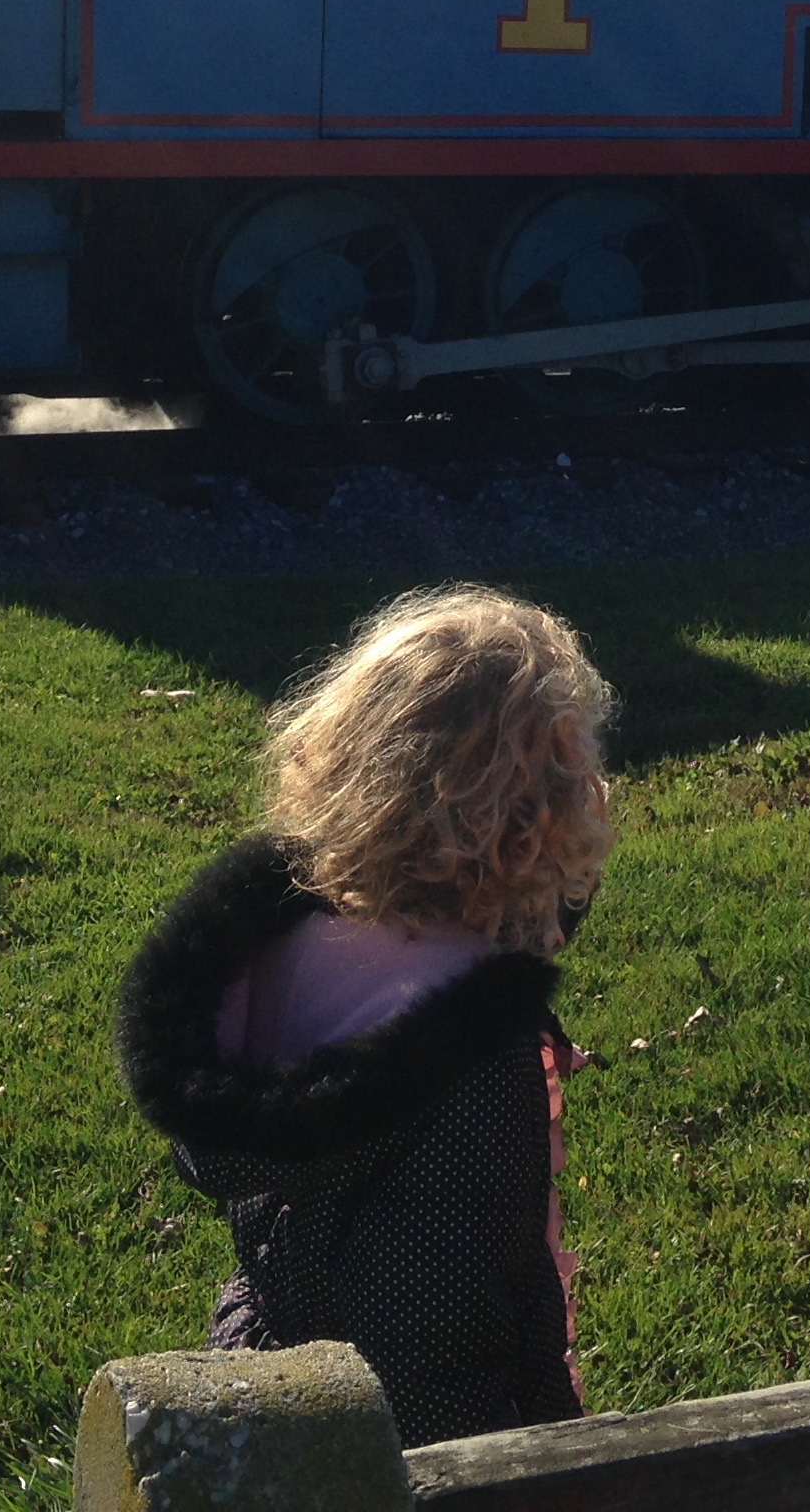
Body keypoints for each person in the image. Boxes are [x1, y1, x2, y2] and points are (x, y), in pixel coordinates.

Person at [115, 587, 612, 1447]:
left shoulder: (276, 946)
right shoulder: (476, 1055)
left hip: (271, 1382)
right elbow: (454, 1337)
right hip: (419, 1446)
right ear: (539, 829)